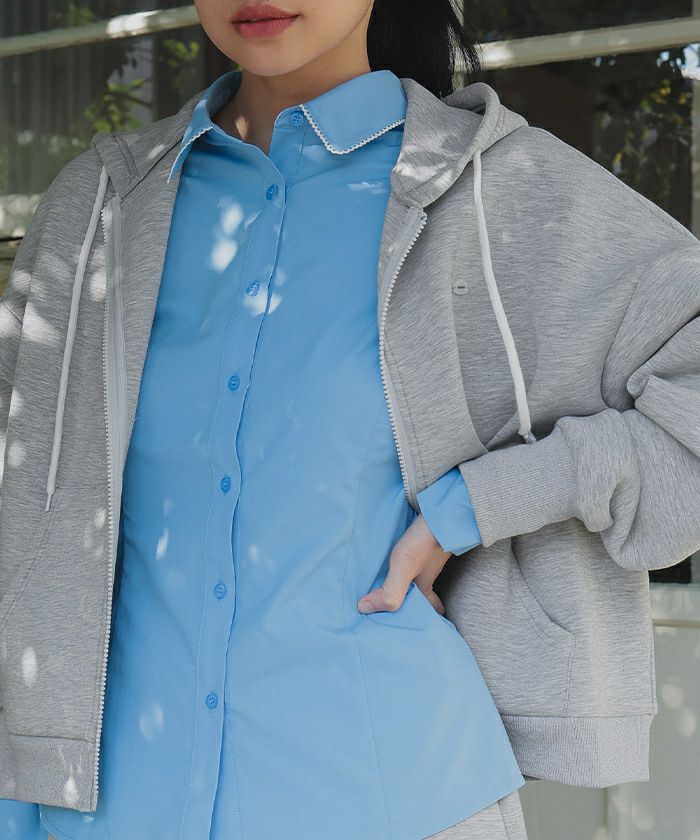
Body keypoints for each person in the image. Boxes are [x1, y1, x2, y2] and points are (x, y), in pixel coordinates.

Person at [1, 1, 699, 839]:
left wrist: (479, 505)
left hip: (392, 800)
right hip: (104, 814)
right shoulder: (101, 209)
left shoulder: (498, 189)